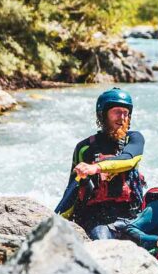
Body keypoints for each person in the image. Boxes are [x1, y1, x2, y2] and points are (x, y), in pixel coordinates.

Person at [55, 88, 145, 239]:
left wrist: (95, 167)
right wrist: (59, 220)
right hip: (96, 218)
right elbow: (73, 189)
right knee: (103, 243)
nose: (122, 117)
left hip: (130, 215)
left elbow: (129, 160)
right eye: (116, 111)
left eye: (125, 113)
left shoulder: (134, 139)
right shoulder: (84, 147)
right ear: (102, 114)